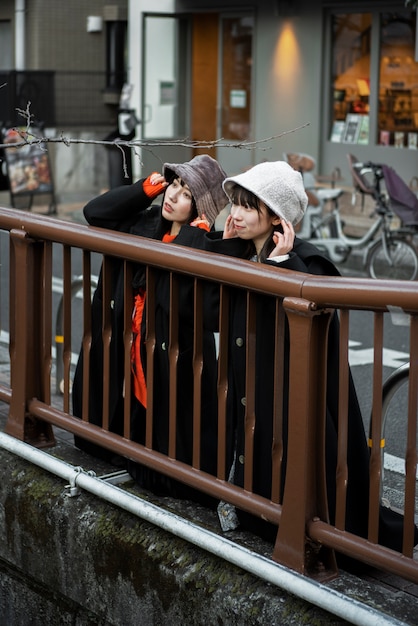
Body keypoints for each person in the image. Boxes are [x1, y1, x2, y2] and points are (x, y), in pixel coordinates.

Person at [204, 160, 418, 558]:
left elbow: (312, 310)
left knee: (294, 454)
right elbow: (210, 308)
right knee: (256, 447)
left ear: (277, 217)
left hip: (291, 388)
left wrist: (283, 266)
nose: (235, 214)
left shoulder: (307, 262)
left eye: (249, 207)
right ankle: (261, 515)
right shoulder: (241, 253)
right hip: (254, 385)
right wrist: (225, 241)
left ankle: (304, 528)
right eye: (235, 203)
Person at [72, 154, 228, 503]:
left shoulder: (205, 245)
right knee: (105, 433)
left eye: (186, 193)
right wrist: (146, 189)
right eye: (174, 184)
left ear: (201, 207)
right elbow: (94, 213)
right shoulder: (141, 223)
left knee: (165, 458)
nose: (173, 196)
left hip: (166, 362)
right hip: (123, 349)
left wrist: (192, 237)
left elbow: (205, 307)